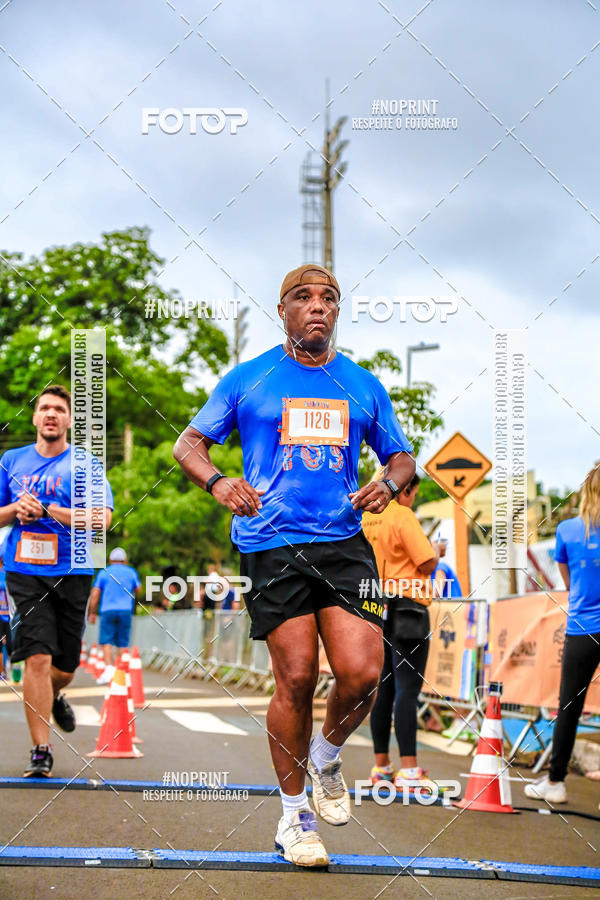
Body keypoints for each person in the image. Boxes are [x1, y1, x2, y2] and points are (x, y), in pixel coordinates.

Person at [174, 263, 415, 866]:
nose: (318, 307)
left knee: (363, 672)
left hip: (343, 543)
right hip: (270, 541)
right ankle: (294, 819)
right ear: (282, 310)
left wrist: (388, 481)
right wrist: (218, 482)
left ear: (337, 312)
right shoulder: (250, 379)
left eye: (329, 299)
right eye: (304, 298)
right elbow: (189, 443)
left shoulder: (361, 384)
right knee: (298, 676)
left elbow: (403, 456)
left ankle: (328, 759)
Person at [0, 385, 113, 777]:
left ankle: (57, 692)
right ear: (34, 418)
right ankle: (41, 750)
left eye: (59, 409)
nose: (50, 414)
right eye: (44, 408)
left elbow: (102, 519)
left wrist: (49, 509)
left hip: (74, 571)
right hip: (24, 570)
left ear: (68, 420)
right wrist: (16, 509)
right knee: (37, 657)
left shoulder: (85, 465)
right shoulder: (11, 461)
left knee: (64, 665)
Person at [525, 463, 600, 804]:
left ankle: (555, 782)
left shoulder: (568, 530)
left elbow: (569, 584)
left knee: (569, 704)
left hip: (584, 626)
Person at [362, 470, 440, 789]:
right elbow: (426, 561)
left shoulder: (366, 517)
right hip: (408, 606)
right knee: (408, 689)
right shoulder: (402, 516)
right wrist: (436, 555)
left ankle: (382, 767)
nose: (412, 499)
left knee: (383, 689)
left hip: (375, 605)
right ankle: (410, 770)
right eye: (413, 494)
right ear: (404, 489)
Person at [88, 547, 141, 684]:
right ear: (125, 560)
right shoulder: (131, 572)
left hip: (107, 610)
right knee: (123, 642)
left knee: (106, 641)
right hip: (125, 610)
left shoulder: (104, 573)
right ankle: (122, 671)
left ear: (110, 560)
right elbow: (139, 590)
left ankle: (109, 669)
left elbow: (95, 594)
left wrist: (92, 612)